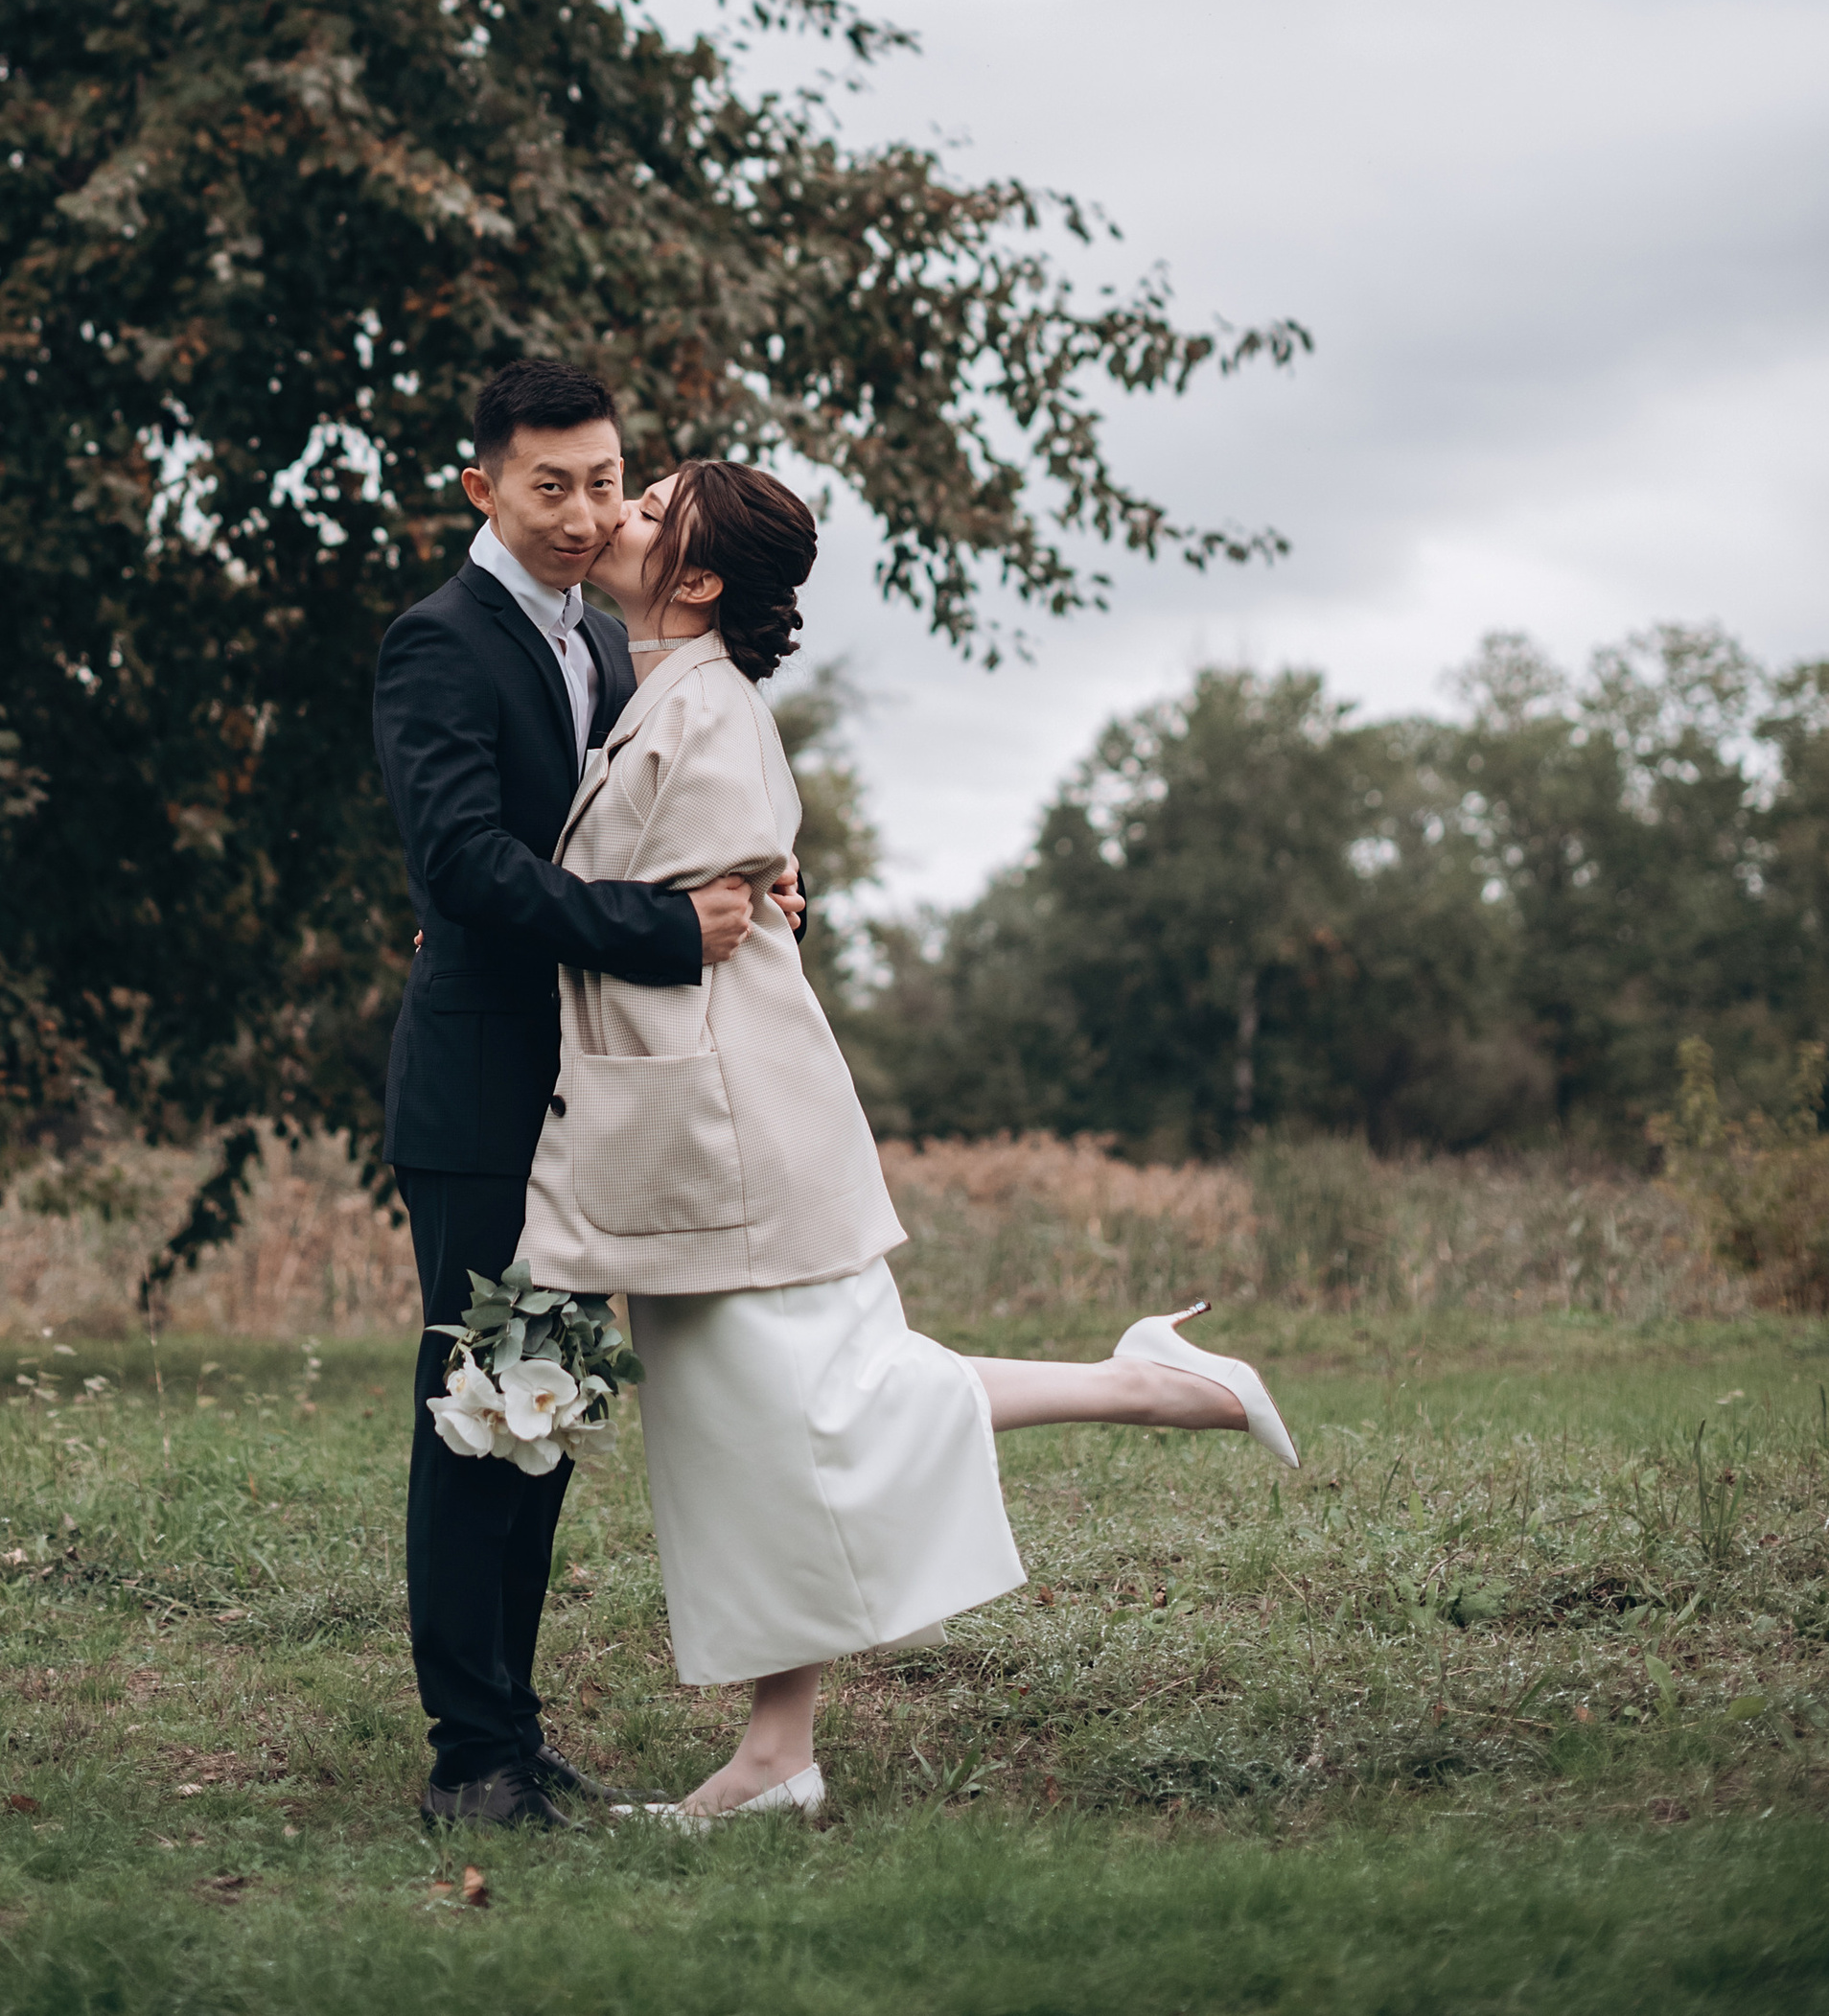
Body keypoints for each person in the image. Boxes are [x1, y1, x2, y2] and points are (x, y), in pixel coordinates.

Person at [520, 461, 1299, 1824]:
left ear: (697, 579)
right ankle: (778, 1751)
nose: (613, 516)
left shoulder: (707, 715)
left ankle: (1145, 1385)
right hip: (706, 1128)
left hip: (732, 1133)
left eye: (646, 508)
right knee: (770, 1431)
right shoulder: (653, 685)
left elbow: (652, 907)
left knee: (832, 1407)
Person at [373, 359, 806, 1833]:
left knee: (540, 1419)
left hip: (592, 1109)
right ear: (483, 482)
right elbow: (470, 874)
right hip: (486, 1098)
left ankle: (517, 1731)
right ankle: (465, 1761)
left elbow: (649, 824)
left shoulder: (617, 652)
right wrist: (670, 930)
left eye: (608, 481)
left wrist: (757, 876)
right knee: (471, 1415)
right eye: (550, 485)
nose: (585, 512)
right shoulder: (437, 644)